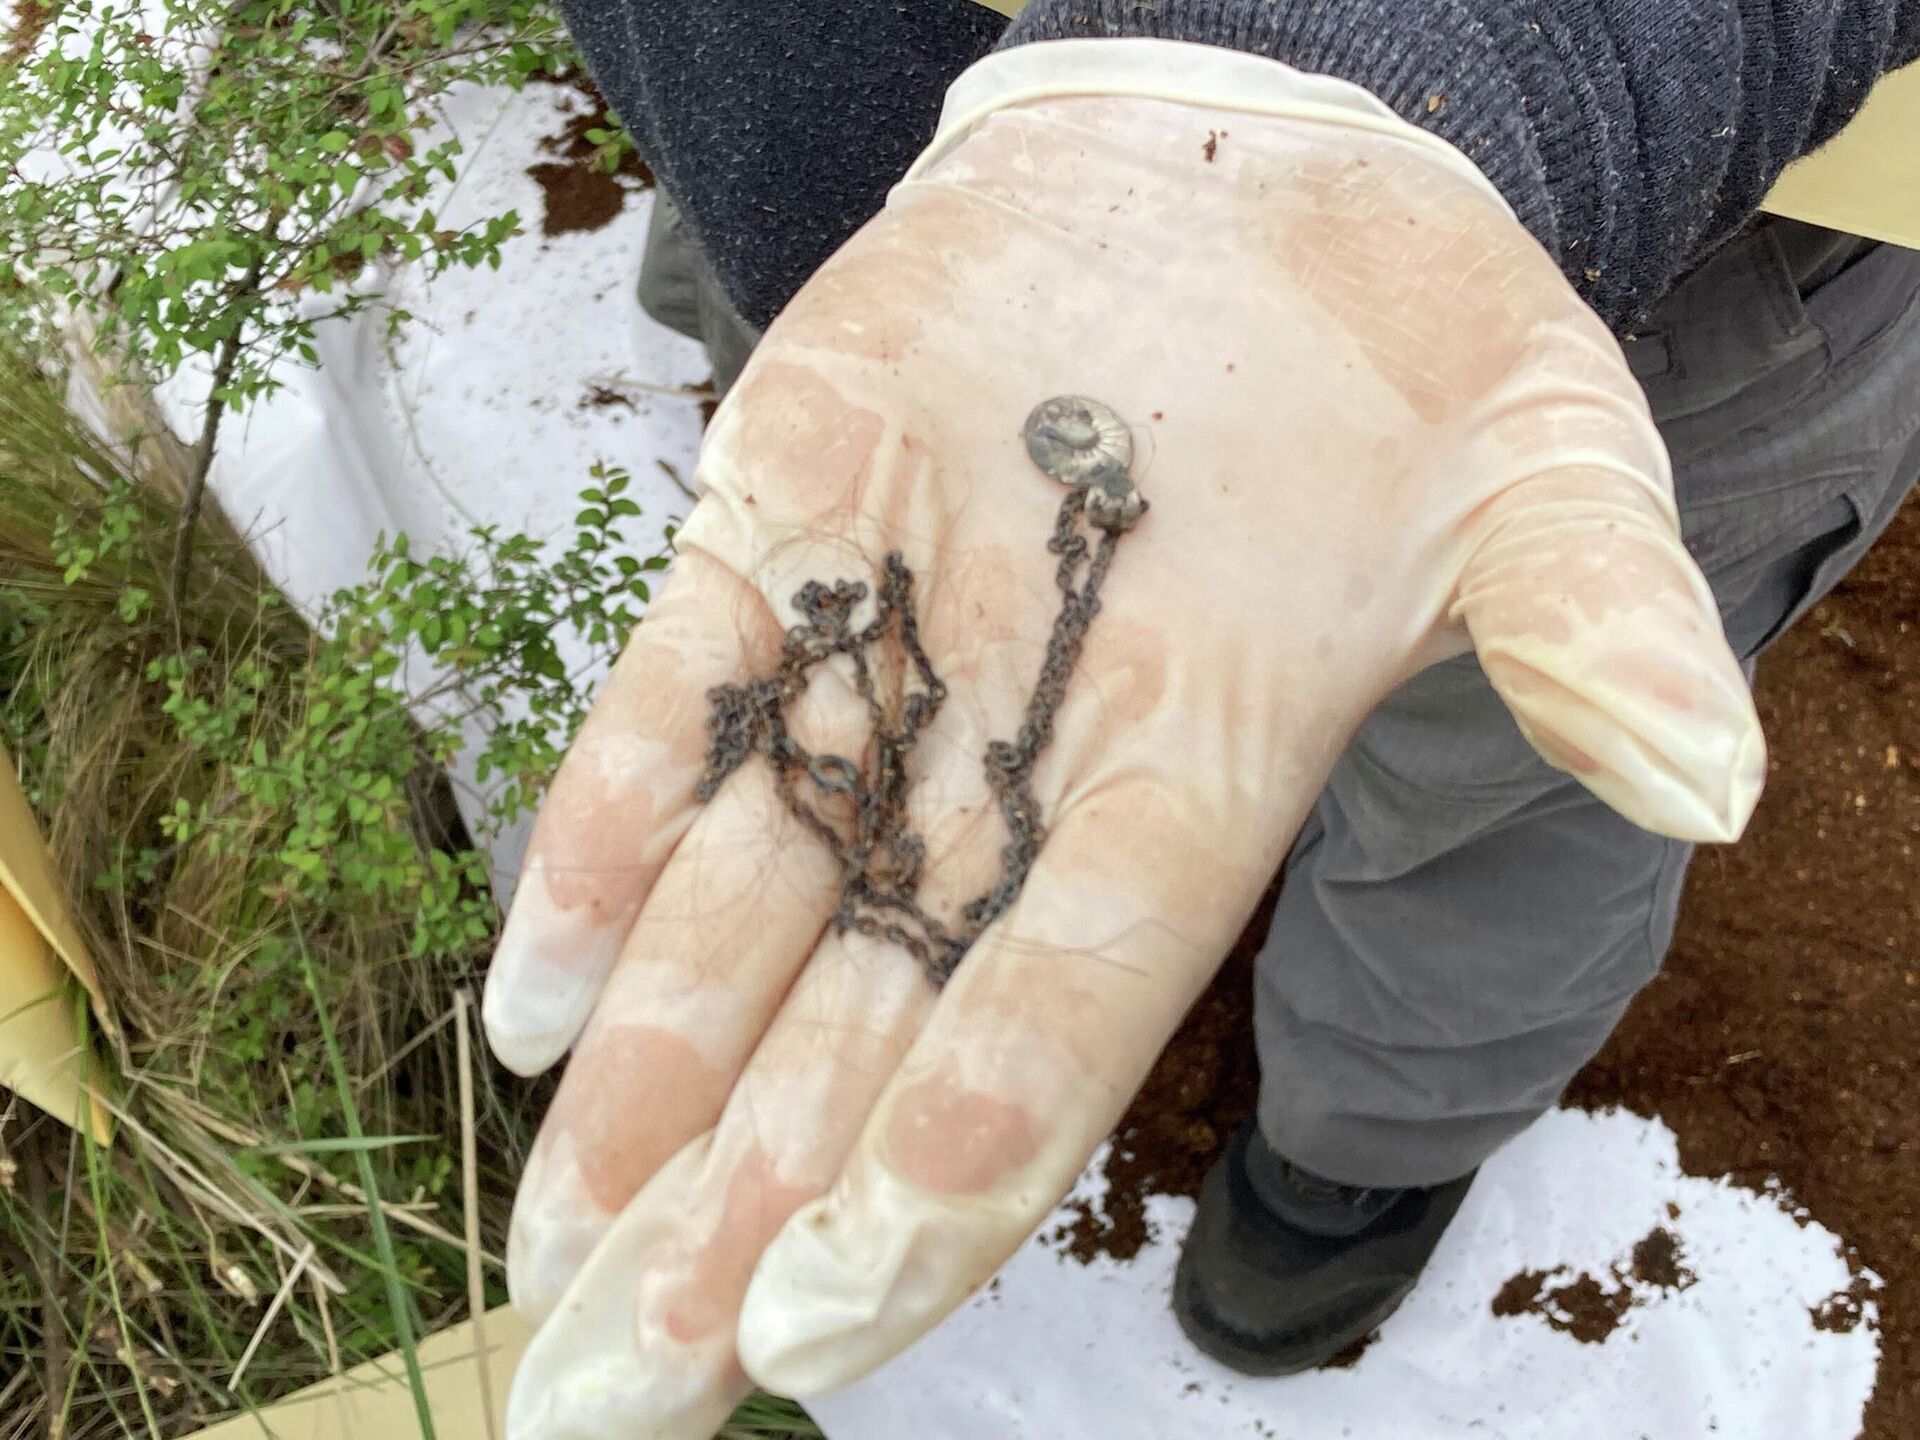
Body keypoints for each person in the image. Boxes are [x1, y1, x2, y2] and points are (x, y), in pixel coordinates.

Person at [480, 4, 1920, 1437]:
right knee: (875, 571)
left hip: (1641, 188)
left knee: (1505, 775)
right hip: (840, 171)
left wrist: (1481, 54)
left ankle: (1366, 1140)